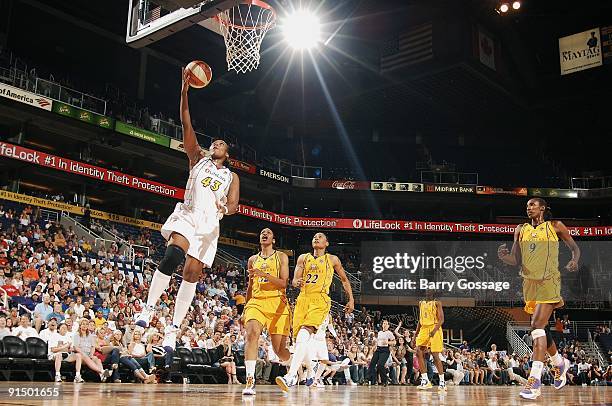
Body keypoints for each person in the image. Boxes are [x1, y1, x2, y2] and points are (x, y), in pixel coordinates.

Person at [136, 67, 240, 348]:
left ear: (226, 154)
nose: (215, 144)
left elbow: (233, 206)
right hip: (188, 214)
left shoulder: (232, 176)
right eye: (214, 143)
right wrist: (184, 91)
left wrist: (225, 208)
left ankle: (173, 327)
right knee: (172, 255)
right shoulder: (197, 158)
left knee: (191, 274)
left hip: (209, 226)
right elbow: (186, 124)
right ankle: (148, 308)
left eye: (220, 144)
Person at [498, 198, 580, 400]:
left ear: (542, 208)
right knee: (540, 329)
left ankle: (534, 382)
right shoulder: (520, 229)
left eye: (533, 205)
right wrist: (503, 257)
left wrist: (574, 260)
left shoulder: (555, 226)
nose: (529, 207)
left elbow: (575, 249)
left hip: (549, 281)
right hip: (529, 284)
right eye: (527, 205)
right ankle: (559, 362)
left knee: (535, 325)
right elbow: (516, 260)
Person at [276, 233, 354, 392]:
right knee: (300, 341)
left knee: (305, 335)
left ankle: (291, 376)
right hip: (302, 299)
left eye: (320, 237)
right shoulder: (303, 258)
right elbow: (295, 280)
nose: (316, 238)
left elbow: (345, 280)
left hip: (320, 299)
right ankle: (311, 371)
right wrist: (296, 282)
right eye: (314, 237)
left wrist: (351, 299)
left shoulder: (332, 259)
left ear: (327, 243)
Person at [242, 228, 291, 395]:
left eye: (269, 232)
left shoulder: (281, 257)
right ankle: (250, 379)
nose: (264, 234)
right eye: (262, 232)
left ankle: (300, 363)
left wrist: (264, 274)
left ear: (274, 239)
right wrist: (245, 308)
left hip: (277, 303)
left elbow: (283, 283)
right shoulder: (252, 260)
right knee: (252, 333)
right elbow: (250, 286)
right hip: (256, 302)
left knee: (280, 351)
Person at [413, 290, 445, 391]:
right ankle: (425, 380)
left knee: (435, 355)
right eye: (426, 292)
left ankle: (442, 382)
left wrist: (434, 331)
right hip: (424, 328)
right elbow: (420, 320)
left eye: (429, 292)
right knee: (418, 351)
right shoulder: (421, 303)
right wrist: (415, 335)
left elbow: (441, 320)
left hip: (434, 328)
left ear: (433, 294)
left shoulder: (437, 303)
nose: (427, 293)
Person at [368, 320, 395, 386]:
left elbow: (394, 342)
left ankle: (385, 380)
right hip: (378, 349)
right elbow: (378, 342)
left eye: (386, 324)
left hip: (385, 350)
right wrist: (373, 348)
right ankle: (368, 379)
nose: (385, 325)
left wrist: (388, 342)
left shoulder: (389, 333)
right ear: (382, 325)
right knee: (372, 363)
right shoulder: (379, 332)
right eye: (384, 323)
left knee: (380, 365)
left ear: (388, 326)